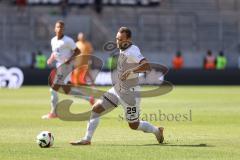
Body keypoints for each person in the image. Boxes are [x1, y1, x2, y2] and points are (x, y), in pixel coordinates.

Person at [70, 27, 164, 145]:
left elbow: (147, 66)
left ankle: (157, 131)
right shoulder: (123, 48)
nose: (117, 42)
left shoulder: (133, 50)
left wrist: (131, 71)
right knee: (96, 109)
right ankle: (87, 139)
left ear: (129, 39)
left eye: (121, 40)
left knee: (134, 125)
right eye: (117, 39)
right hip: (118, 89)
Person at [41, 20, 80, 119]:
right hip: (59, 66)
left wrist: (69, 60)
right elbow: (55, 53)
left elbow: (78, 51)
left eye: (61, 27)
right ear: (55, 28)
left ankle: (53, 113)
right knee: (64, 89)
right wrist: (51, 58)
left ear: (63, 29)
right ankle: (88, 96)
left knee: (53, 89)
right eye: (58, 27)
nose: (59, 29)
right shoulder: (53, 40)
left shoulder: (68, 40)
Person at [71, 32, 95, 105]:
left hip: (85, 64)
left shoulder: (87, 44)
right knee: (76, 81)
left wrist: (91, 60)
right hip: (77, 65)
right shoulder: (76, 44)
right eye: (81, 36)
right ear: (78, 37)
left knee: (88, 76)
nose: (82, 37)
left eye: (83, 36)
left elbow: (91, 53)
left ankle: (92, 88)